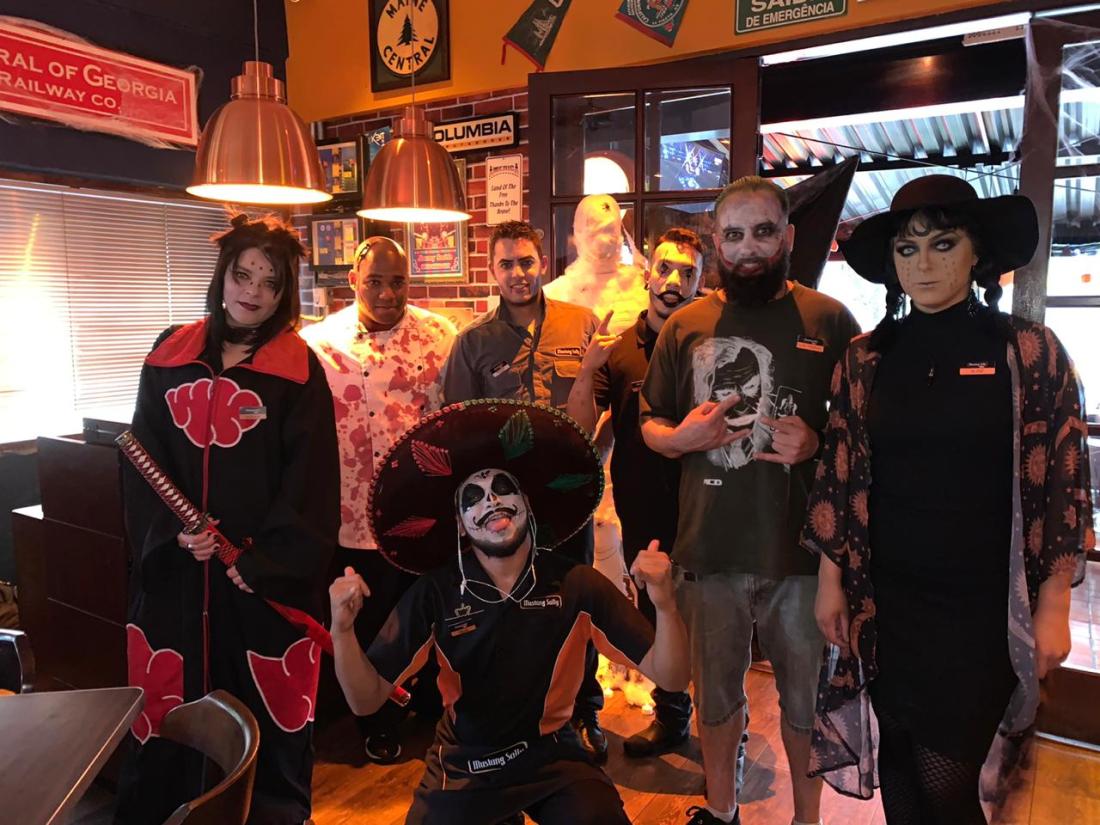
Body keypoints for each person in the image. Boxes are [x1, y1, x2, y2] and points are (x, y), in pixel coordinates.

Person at [805, 175, 1093, 824]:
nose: (924, 264)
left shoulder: (1029, 352)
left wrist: (1054, 604)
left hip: (980, 612)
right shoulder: (864, 358)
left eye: (943, 243)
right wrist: (829, 582)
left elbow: (1065, 482)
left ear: (977, 251)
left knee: (948, 784)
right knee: (901, 771)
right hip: (885, 604)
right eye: (907, 249)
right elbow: (837, 473)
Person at [329, 400, 691, 825]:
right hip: (469, 760)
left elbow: (672, 677)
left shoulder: (576, 584)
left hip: (552, 753)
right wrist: (342, 630)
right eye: (473, 498)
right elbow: (366, 699)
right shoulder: (435, 593)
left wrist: (665, 603)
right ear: (460, 524)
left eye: (503, 488)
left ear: (527, 503)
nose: (491, 502)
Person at [640, 177, 861, 825]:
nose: (748, 248)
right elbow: (650, 421)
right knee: (715, 702)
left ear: (787, 236)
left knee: (805, 706)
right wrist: (679, 439)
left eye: (763, 231)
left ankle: (807, 820)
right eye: (733, 235)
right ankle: (722, 810)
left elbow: (862, 431)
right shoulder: (684, 326)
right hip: (709, 552)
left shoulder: (830, 320)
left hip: (802, 557)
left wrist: (817, 441)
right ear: (716, 241)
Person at [116, 214, 340, 825]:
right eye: (243, 275)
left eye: (269, 282)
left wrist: (265, 563)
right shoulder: (170, 354)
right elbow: (143, 456)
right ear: (223, 276)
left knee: (264, 718)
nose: (252, 292)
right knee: (169, 713)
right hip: (178, 579)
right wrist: (172, 534)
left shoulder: (298, 371)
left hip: (254, 583)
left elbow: (313, 482)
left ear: (283, 293)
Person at [441, 220, 609, 760]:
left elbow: (609, 402)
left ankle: (584, 710)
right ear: (492, 270)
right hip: (504, 508)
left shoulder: (582, 323)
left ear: (543, 263)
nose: (518, 273)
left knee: (576, 602)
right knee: (512, 608)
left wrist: (596, 456)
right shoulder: (473, 343)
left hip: (568, 498)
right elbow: (458, 428)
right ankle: (520, 716)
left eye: (527, 261)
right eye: (506, 264)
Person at [300, 236, 457, 763]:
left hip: (422, 510)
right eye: (375, 282)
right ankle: (377, 720)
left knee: (427, 614)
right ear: (353, 281)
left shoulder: (441, 336)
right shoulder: (316, 342)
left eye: (398, 282)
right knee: (366, 622)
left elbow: (456, 419)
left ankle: (434, 708)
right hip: (349, 513)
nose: (388, 293)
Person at [566, 228, 703, 757]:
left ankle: (722, 725)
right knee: (655, 613)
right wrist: (587, 370)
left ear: (700, 282)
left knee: (712, 617)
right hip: (642, 505)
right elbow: (584, 428)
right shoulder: (620, 349)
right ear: (647, 273)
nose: (673, 282)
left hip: (707, 506)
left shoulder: (710, 343)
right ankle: (672, 718)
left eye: (687, 273)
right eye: (665, 268)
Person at [543, 194, 648, 337]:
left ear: (619, 232)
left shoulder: (640, 287)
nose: (604, 239)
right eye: (595, 231)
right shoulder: (555, 293)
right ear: (578, 233)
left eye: (610, 230)